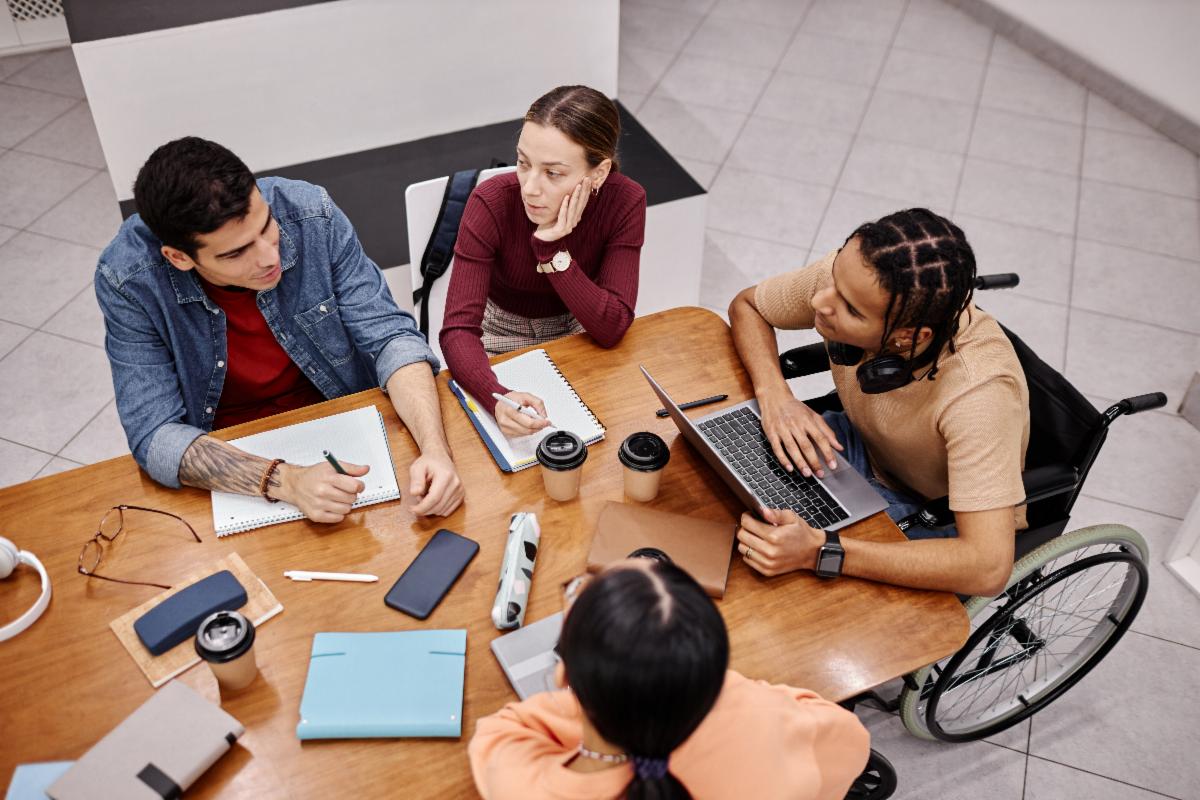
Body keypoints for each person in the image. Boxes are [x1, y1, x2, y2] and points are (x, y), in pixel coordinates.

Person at [96, 137, 464, 521]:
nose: (271, 257)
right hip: (230, 459)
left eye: (266, 226)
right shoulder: (128, 278)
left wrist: (435, 450)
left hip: (342, 422)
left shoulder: (311, 214)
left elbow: (391, 338)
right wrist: (285, 482)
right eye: (236, 253)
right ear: (179, 257)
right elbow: (155, 435)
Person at [727, 208, 1029, 597]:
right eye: (834, 276)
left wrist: (821, 551)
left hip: (930, 513)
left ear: (908, 338)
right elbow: (748, 305)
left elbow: (987, 569)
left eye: (851, 310)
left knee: (788, 599)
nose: (820, 300)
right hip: (857, 444)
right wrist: (776, 397)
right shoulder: (854, 282)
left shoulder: (978, 396)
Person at [468, 558, 870, 800]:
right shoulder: (758, 713)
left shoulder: (530, 784)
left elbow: (499, 733)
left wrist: (583, 701)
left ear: (563, 676)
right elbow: (851, 742)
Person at [441, 85, 647, 438]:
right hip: (500, 332)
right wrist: (497, 399)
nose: (530, 188)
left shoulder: (625, 201)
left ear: (597, 173)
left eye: (553, 173)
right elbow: (458, 330)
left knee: (605, 435)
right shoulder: (491, 202)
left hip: (581, 327)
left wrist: (552, 250)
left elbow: (612, 326)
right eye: (523, 163)